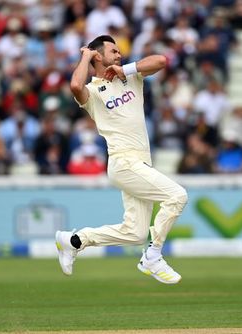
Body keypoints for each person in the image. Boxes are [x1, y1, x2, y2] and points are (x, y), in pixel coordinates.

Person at [55, 35, 188, 284]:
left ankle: (74, 241)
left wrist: (123, 68)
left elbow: (161, 60)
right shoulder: (93, 92)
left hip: (140, 164)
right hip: (124, 162)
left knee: (135, 233)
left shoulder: (131, 76)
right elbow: (75, 86)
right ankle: (153, 256)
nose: (119, 54)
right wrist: (85, 55)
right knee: (177, 196)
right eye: (113, 51)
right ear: (97, 56)